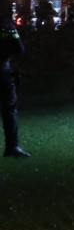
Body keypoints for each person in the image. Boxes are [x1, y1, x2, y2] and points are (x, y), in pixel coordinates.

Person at [3, 18, 28, 158]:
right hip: (3, 70)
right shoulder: (6, 26)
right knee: (9, 109)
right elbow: (20, 49)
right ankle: (12, 147)